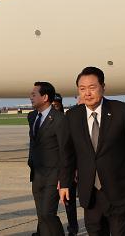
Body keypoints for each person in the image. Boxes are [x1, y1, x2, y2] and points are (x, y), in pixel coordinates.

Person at [60, 67, 125, 236]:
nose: (87, 93)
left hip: (120, 188)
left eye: (92, 87)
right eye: (82, 88)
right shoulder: (72, 116)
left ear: (103, 87)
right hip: (90, 190)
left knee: (119, 232)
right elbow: (67, 153)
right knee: (95, 231)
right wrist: (65, 183)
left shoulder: (120, 111)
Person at [28, 83, 70, 236]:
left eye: (34, 94)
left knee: (47, 214)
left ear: (45, 97)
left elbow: (66, 151)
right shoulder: (32, 117)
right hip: (37, 174)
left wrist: (64, 179)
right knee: (41, 217)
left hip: (54, 175)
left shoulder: (59, 119)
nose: (30, 97)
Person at [51, 93, 79, 236]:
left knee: (69, 203)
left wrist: (74, 170)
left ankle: (73, 229)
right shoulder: (46, 120)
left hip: (67, 168)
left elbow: (73, 147)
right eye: (53, 105)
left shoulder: (68, 120)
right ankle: (42, 230)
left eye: (57, 104)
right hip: (51, 169)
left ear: (61, 105)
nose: (55, 107)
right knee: (48, 205)